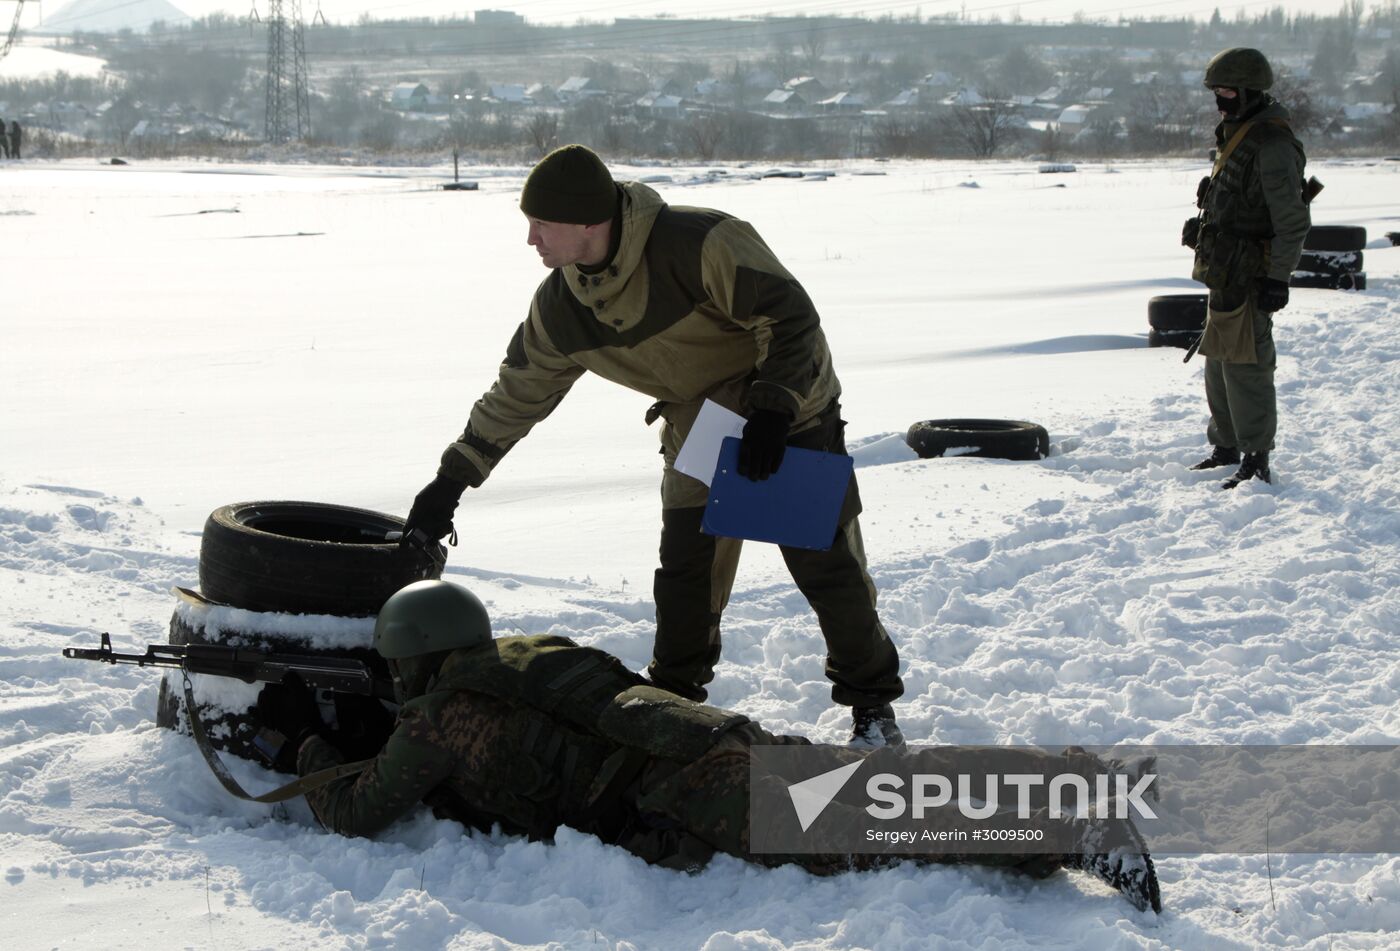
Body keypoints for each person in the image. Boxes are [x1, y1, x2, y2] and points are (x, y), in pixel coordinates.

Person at [256, 580, 1162, 914]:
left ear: (412, 662)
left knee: (864, 822)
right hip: (705, 735)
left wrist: (301, 746)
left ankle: (1065, 818)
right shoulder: (527, 651)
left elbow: (357, 809)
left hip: (683, 787)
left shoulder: (436, 718)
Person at [403, 143, 904, 745]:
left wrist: (774, 409)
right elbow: (519, 391)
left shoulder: (701, 243)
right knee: (686, 569)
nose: (530, 239)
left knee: (824, 566)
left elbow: (790, 318)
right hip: (701, 420)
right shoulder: (562, 305)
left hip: (788, 407)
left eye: (540, 224)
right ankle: (673, 703)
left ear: (588, 221)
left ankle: (872, 708)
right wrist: (453, 478)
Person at [1181, 48, 1309, 489]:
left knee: (1247, 366)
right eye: (1216, 91)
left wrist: (1279, 279)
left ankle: (1256, 456)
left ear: (1252, 91)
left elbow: (1292, 222)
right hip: (1224, 268)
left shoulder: (1271, 145)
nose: (1221, 100)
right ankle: (1226, 444)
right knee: (1217, 359)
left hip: (1253, 272)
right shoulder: (1238, 130)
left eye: (1229, 91)